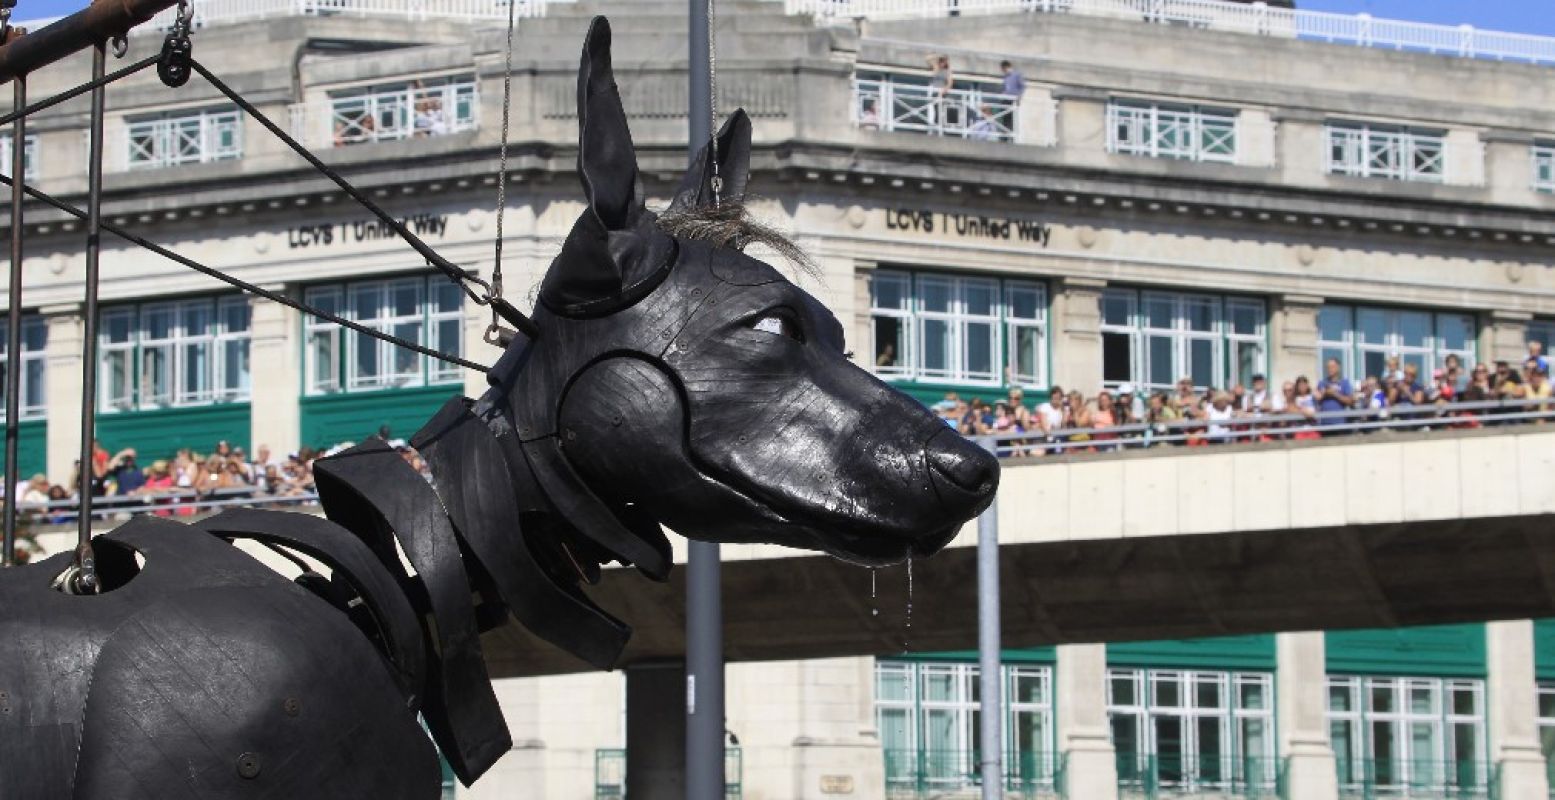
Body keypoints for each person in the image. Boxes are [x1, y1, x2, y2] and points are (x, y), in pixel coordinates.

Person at [1316, 358, 1354, 426]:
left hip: (1340, 423)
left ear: (1338, 368)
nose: (1330, 369)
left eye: (1332, 367)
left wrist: (1334, 394)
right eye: (1328, 367)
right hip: (1324, 424)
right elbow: (1317, 400)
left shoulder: (1344, 383)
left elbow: (1349, 401)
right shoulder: (1322, 383)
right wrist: (1325, 393)